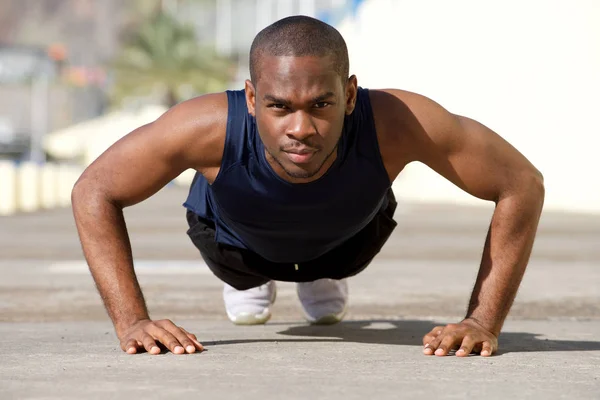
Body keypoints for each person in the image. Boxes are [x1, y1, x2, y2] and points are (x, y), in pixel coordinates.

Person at [71, 15, 544, 358]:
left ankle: (319, 274)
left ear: (351, 95)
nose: (301, 128)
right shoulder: (204, 126)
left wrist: (482, 321)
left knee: (329, 276)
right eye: (279, 107)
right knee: (247, 301)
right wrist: (132, 319)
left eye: (321, 105)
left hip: (347, 243)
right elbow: (94, 189)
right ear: (252, 98)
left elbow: (521, 183)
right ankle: (253, 282)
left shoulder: (399, 122)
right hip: (236, 248)